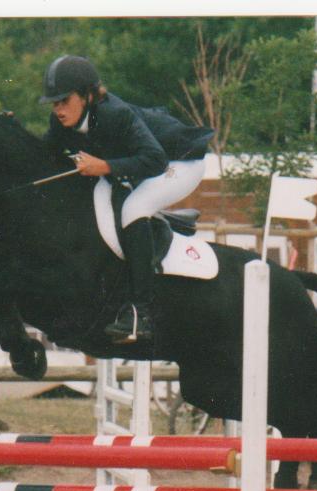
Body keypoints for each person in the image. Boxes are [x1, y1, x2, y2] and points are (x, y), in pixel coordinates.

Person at [40, 55, 214, 343]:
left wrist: (105, 166)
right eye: (54, 103)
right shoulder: (61, 122)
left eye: (64, 101)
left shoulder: (114, 114)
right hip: (144, 165)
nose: (58, 109)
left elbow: (155, 160)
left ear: (86, 95)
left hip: (179, 162)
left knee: (135, 207)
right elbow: (43, 153)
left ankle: (141, 313)